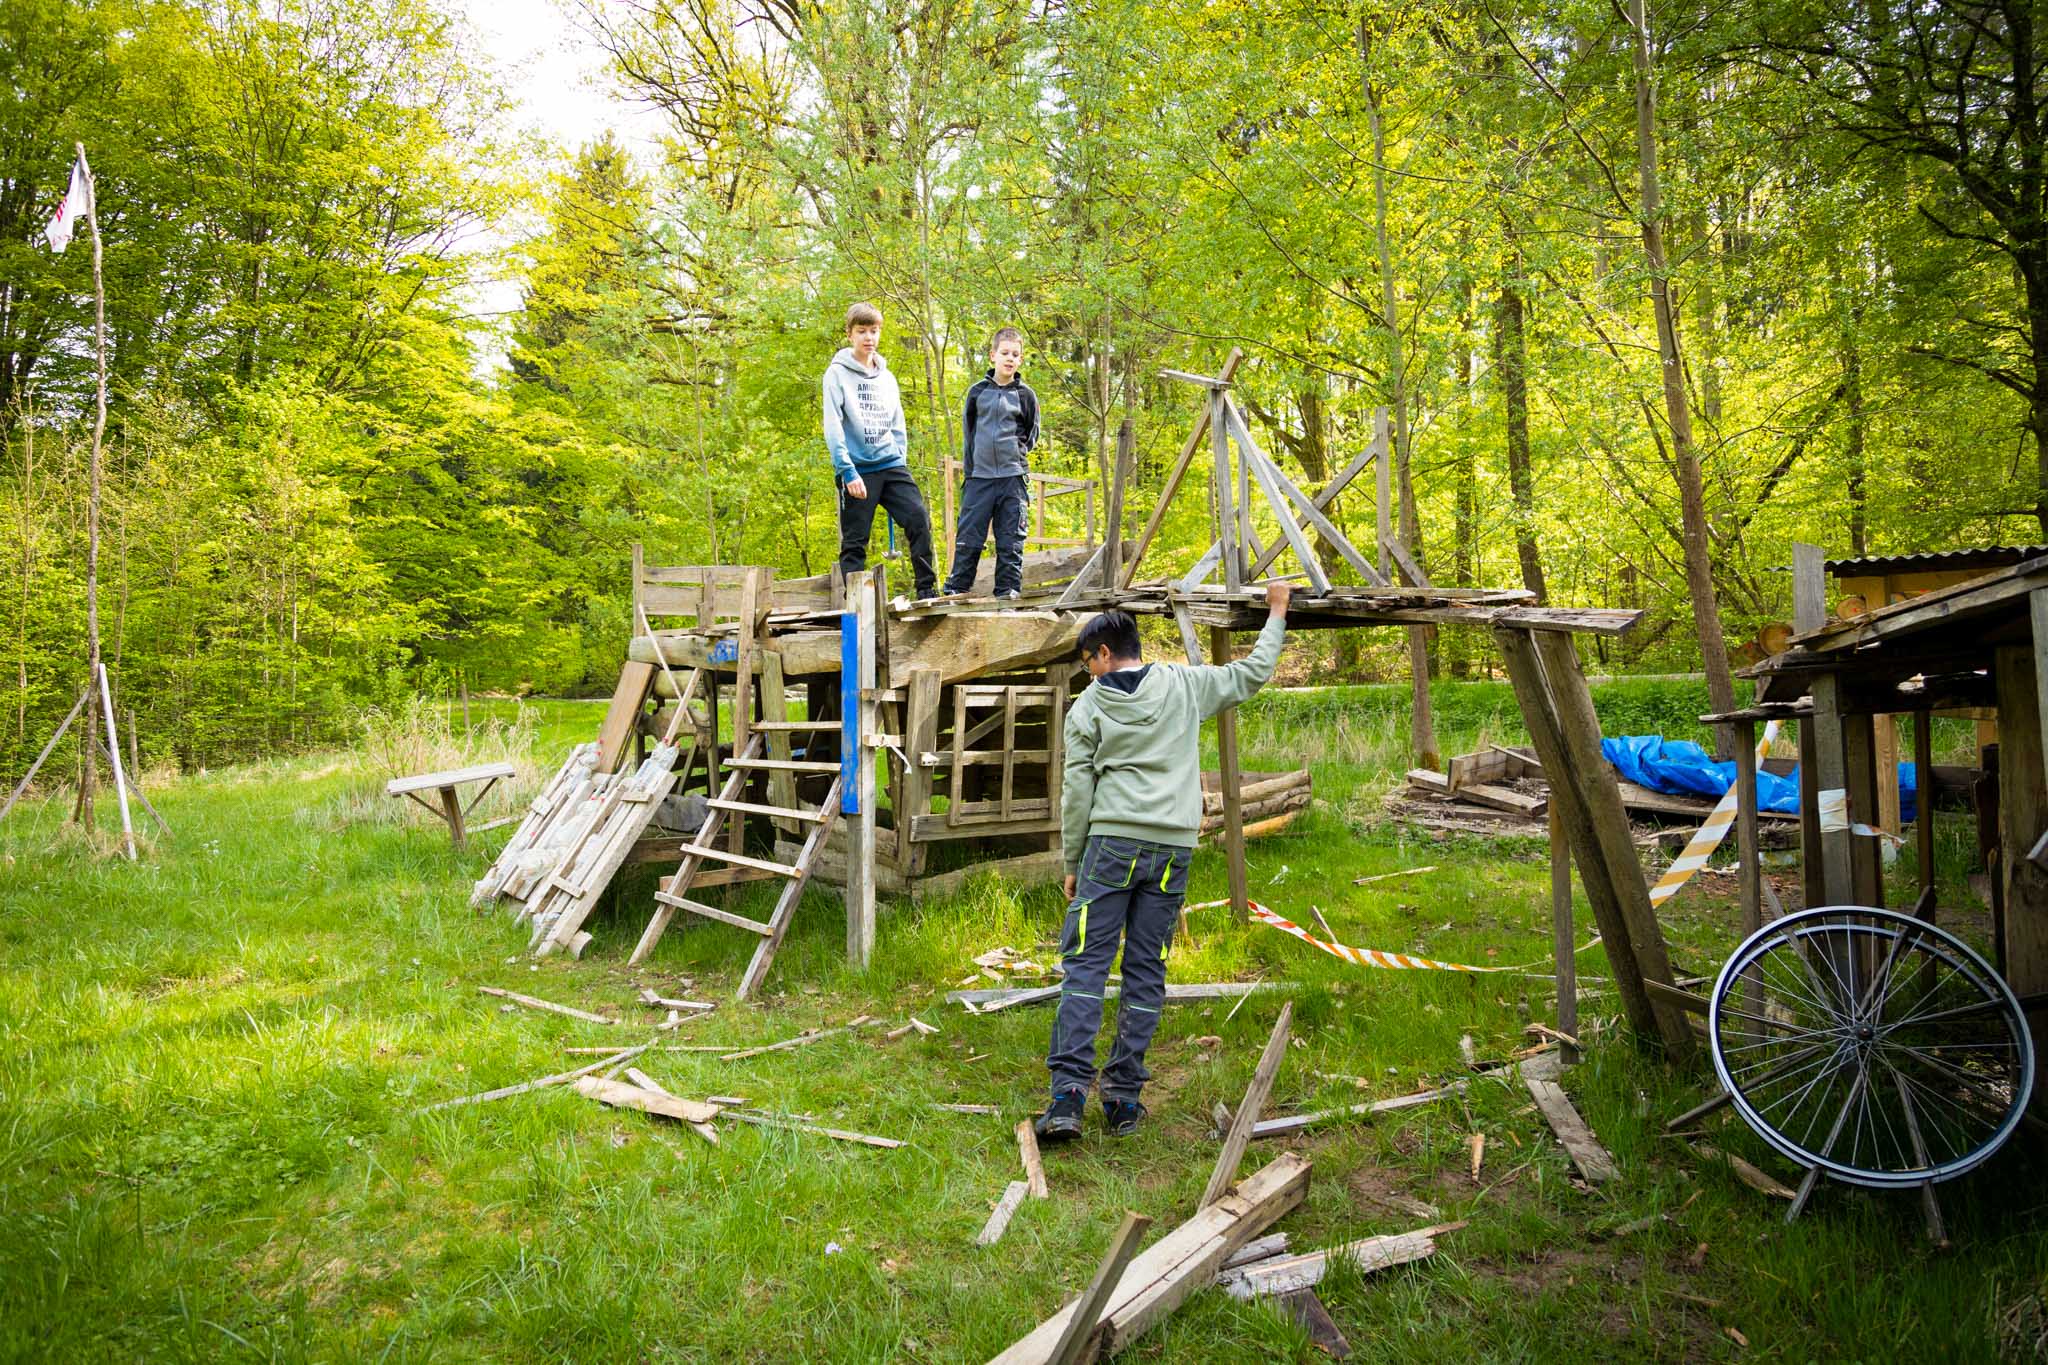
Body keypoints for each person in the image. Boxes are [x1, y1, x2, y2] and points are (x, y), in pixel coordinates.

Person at [1036, 582, 1292, 1142]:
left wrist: (1072, 858)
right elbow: (1251, 675)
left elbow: (1077, 790)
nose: (1089, 673)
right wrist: (1277, 612)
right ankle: (1124, 1100)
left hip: (1111, 846)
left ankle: (1068, 1098)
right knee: (1146, 970)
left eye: (1088, 662)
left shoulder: (1088, 708)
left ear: (1105, 653)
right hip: (1173, 848)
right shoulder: (1184, 685)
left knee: (1084, 965)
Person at [822, 301, 937, 598]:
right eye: (862, 331)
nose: (869, 338)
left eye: (873, 331)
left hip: (891, 463)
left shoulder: (887, 377)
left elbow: (898, 421)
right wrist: (847, 471)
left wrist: (901, 456)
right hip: (857, 470)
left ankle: (927, 590)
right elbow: (833, 425)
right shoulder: (836, 374)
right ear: (850, 334)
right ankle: (856, 606)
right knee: (855, 541)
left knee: (918, 519)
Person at [942, 327, 1039, 600]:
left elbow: (1031, 434)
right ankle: (957, 589)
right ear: (993, 356)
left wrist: (1015, 456)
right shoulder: (977, 393)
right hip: (979, 478)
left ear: (1020, 360)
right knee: (969, 537)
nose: (1010, 358)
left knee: (1011, 541)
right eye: (1005, 353)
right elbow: (969, 433)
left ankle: (1007, 594)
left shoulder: (1026, 395)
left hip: (1012, 478)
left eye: (1015, 354)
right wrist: (972, 473)